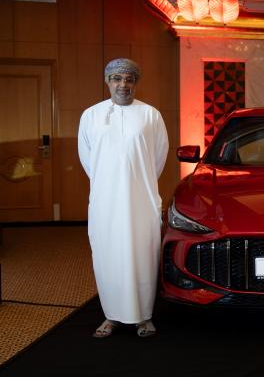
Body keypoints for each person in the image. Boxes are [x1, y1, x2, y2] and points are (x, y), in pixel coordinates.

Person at [78, 58, 169, 338]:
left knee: (142, 255)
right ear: (107, 81)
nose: (123, 84)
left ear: (136, 83)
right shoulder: (91, 115)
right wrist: (110, 184)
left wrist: (137, 182)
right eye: (117, 78)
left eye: (129, 79)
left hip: (141, 200)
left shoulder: (151, 115)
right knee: (108, 257)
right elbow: (88, 160)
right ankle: (111, 315)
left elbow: (158, 158)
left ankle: (144, 316)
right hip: (105, 202)